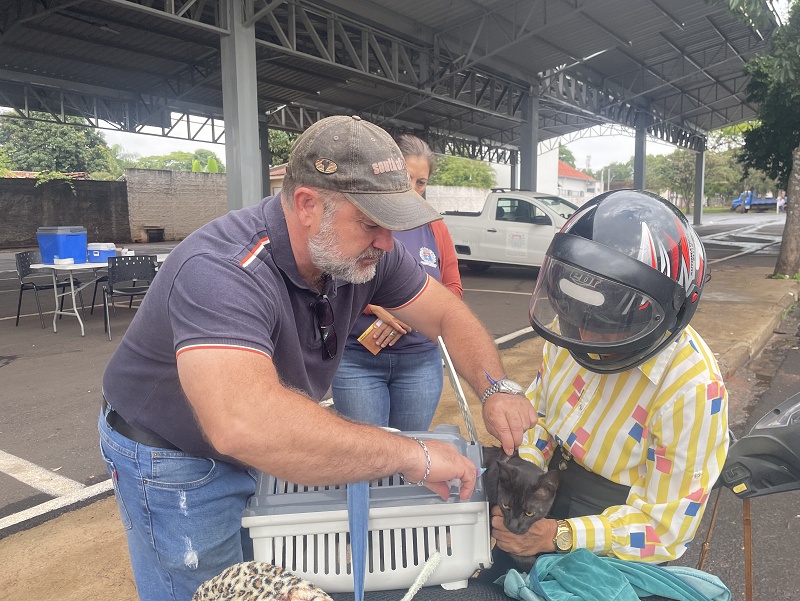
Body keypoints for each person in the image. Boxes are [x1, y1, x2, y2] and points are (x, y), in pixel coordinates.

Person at [98, 115, 536, 601]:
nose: (388, 243)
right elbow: (244, 424)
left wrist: (497, 387)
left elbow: (448, 315)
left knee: (262, 574)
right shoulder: (222, 270)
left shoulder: (367, 253)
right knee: (207, 590)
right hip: (174, 459)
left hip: (252, 446)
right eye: (371, 223)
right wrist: (415, 456)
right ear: (307, 204)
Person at [484, 190, 729, 575]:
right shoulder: (572, 332)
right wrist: (519, 478)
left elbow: (665, 529)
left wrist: (557, 535)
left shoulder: (692, 389)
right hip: (541, 494)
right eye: (576, 317)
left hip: (613, 534)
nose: (587, 338)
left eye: (609, 328)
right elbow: (543, 415)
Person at [331, 134, 461, 430]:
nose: (413, 190)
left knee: (411, 459)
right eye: (406, 178)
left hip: (420, 364)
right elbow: (332, 278)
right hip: (357, 361)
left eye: (421, 182)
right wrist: (374, 307)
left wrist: (415, 313)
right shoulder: (359, 218)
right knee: (365, 462)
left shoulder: (435, 227)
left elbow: (453, 289)